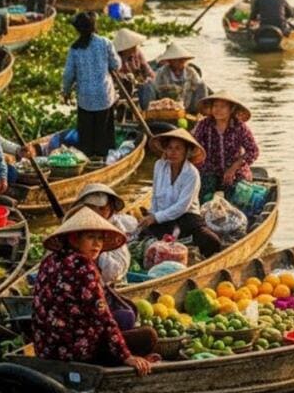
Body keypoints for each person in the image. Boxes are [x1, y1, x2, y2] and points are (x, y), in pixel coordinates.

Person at [32, 206, 156, 375]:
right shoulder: (83, 266)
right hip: (76, 352)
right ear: (74, 239)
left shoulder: (49, 261)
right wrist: (126, 356)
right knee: (148, 336)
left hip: (46, 348)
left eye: (100, 238)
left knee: (124, 316)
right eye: (90, 237)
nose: (97, 244)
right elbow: (102, 317)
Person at [137, 129, 222, 257]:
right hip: (164, 217)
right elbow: (155, 196)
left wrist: (156, 218)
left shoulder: (191, 173)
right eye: (170, 148)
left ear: (186, 151)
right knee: (144, 237)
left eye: (178, 148)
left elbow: (182, 206)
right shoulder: (159, 166)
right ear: (165, 150)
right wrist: (152, 215)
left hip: (187, 218)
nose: (173, 152)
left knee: (211, 241)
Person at [62, 12, 121, 158]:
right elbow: (116, 65)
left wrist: (66, 91)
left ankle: (87, 157)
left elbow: (68, 74)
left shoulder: (74, 49)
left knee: (86, 135)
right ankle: (104, 157)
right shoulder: (105, 43)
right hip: (104, 95)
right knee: (104, 133)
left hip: (85, 98)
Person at [192, 92, 259, 202]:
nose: (218, 110)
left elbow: (253, 151)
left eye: (223, 107)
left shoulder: (239, 127)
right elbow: (194, 146)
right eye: (215, 106)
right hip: (209, 170)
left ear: (231, 109)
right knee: (203, 195)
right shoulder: (204, 124)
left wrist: (233, 168)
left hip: (235, 170)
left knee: (238, 196)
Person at [70, 184, 135, 288]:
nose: (96, 213)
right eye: (91, 208)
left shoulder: (115, 230)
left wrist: (96, 254)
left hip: (106, 284)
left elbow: (117, 271)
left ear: (110, 209)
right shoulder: (72, 228)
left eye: (102, 208)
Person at [153, 42, 209, 114]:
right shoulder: (161, 72)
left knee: (202, 85)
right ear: (170, 61)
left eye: (183, 60)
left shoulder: (190, 71)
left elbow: (198, 85)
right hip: (168, 106)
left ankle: (200, 112)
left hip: (187, 103)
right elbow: (156, 88)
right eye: (178, 60)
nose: (181, 62)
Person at [113, 28, 155, 110]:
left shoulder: (137, 53)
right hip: (122, 88)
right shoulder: (115, 59)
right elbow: (116, 76)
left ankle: (145, 109)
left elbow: (147, 69)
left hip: (138, 85)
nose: (135, 47)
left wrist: (149, 78)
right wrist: (128, 78)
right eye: (132, 46)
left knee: (148, 85)